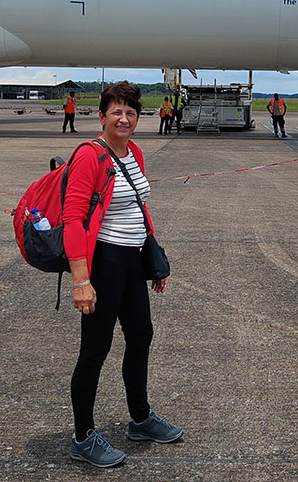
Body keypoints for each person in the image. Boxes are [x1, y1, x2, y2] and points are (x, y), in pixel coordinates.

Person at [63, 81, 182, 467]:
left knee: (141, 336)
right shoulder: (89, 156)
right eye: (116, 111)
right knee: (95, 351)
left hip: (132, 262)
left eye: (130, 112)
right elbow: (73, 220)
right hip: (104, 263)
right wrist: (82, 281)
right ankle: (82, 437)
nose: (124, 118)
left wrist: (152, 262)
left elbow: (138, 209)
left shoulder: (135, 154)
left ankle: (140, 418)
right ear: (101, 116)